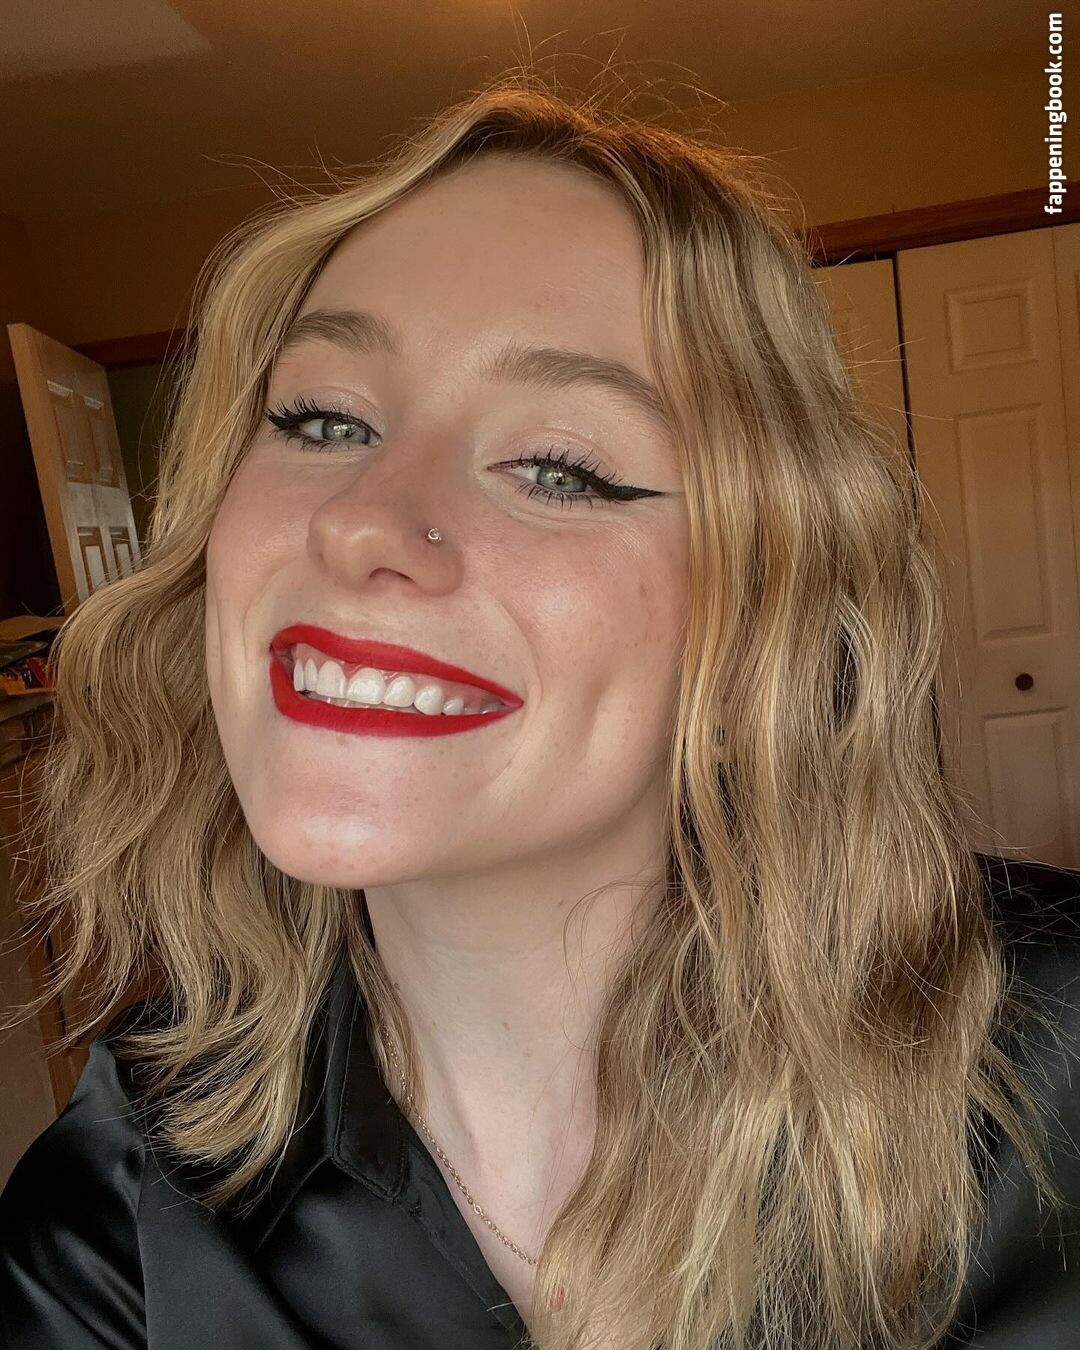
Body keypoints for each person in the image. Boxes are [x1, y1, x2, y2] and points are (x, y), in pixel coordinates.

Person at [1, 72, 1078, 1350]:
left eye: (559, 467)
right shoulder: (116, 1217)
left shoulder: (1058, 1074)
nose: (360, 522)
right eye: (323, 418)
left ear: (760, 617)